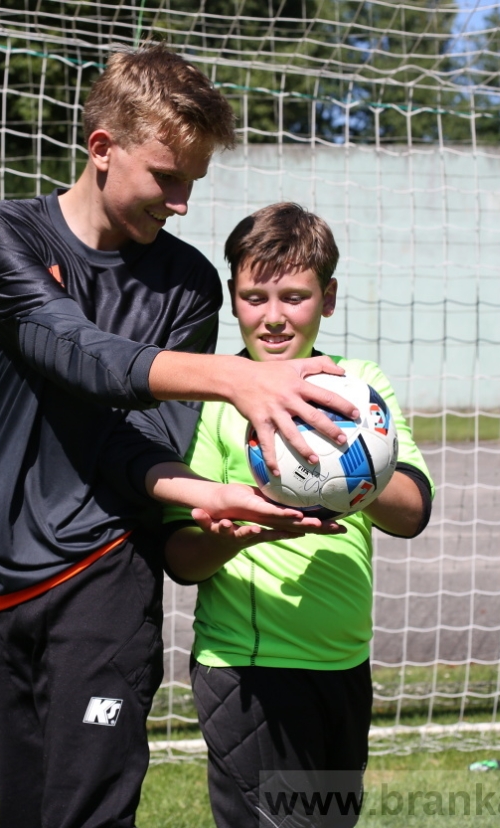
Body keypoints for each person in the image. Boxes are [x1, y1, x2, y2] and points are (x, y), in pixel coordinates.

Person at [0, 45, 356, 828]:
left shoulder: (188, 285)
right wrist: (234, 377)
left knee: (91, 817)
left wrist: (209, 496)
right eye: (166, 176)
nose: (180, 202)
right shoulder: (6, 237)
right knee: (25, 815)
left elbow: (129, 444)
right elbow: (75, 351)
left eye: (193, 184)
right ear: (102, 150)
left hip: (109, 571)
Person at [162, 203, 435, 827]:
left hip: (343, 664)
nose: (275, 316)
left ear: (328, 298)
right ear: (234, 300)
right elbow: (181, 556)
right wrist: (243, 533)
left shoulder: (360, 386)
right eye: (255, 297)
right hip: (252, 670)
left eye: (294, 295)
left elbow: (413, 509)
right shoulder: (211, 397)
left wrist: (354, 480)